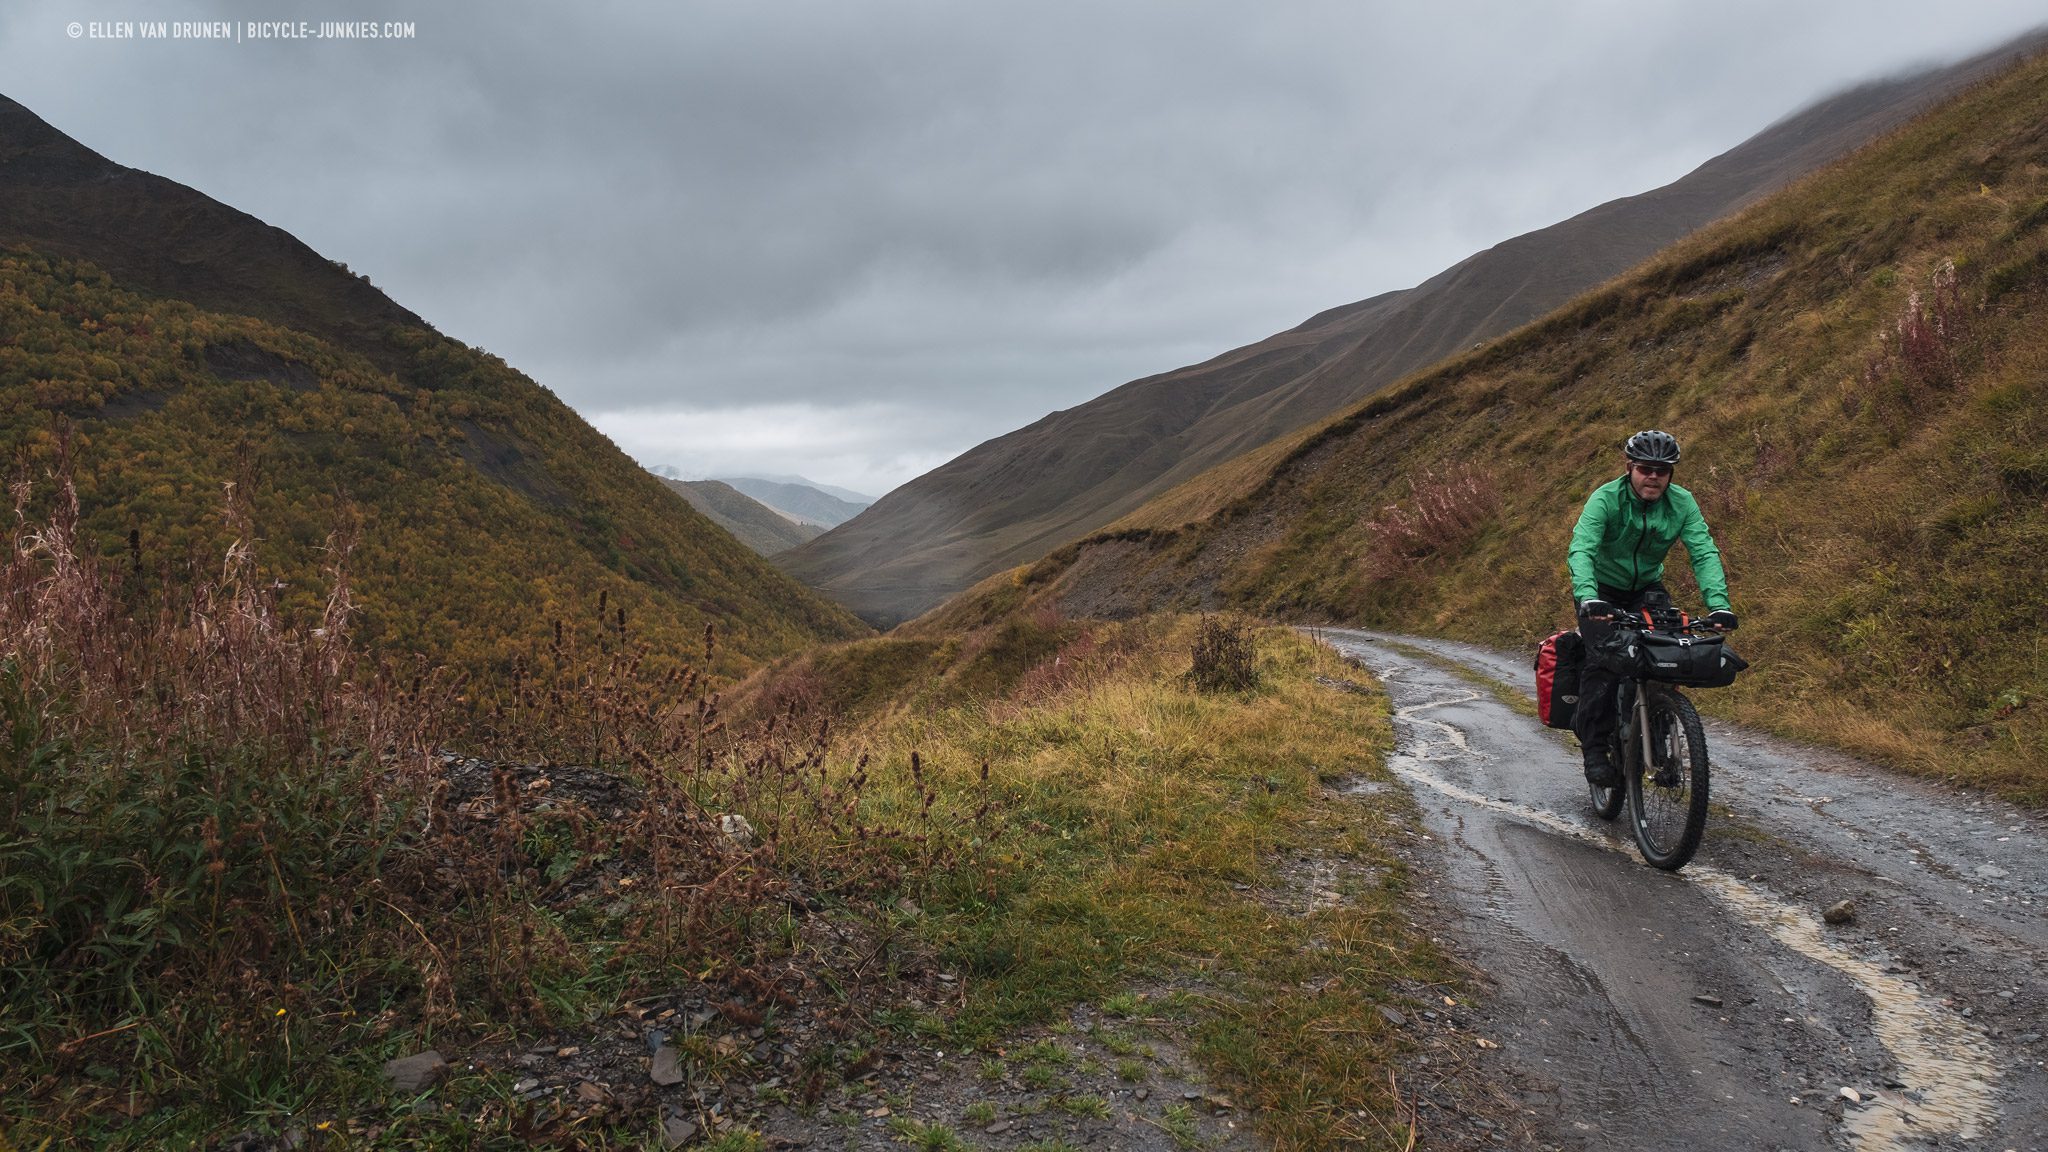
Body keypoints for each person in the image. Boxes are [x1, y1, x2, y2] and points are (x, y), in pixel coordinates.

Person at [1568, 430, 1737, 786]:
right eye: (1646, 468)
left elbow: (1703, 552)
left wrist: (1719, 606)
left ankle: (1657, 743)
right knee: (1605, 662)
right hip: (1600, 590)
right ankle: (1595, 748)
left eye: (1663, 470)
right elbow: (1581, 548)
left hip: (1647, 589)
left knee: (1665, 658)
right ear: (1630, 467)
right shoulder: (1606, 499)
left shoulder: (1682, 503)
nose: (1654, 476)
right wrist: (1587, 596)